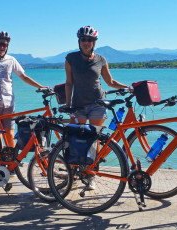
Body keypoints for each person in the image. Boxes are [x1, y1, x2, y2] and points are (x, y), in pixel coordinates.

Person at [64, 26, 129, 189]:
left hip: (98, 104)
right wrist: (67, 105)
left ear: (94, 42)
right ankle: (72, 172)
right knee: (75, 139)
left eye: (89, 40)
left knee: (94, 141)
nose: (86, 42)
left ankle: (91, 174)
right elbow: (69, 82)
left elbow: (110, 82)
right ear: (79, 42)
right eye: (83, 39)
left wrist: (128, 87)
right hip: (78, 104)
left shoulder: (101, 59)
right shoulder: (71, 58)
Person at [0, 31, 48, 147]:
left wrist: (41, 87)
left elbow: (24, 77)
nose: (2, 47)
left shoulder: (11, 60)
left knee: (9, 133)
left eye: (4, 45)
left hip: (9, 102)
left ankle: (12, 162)